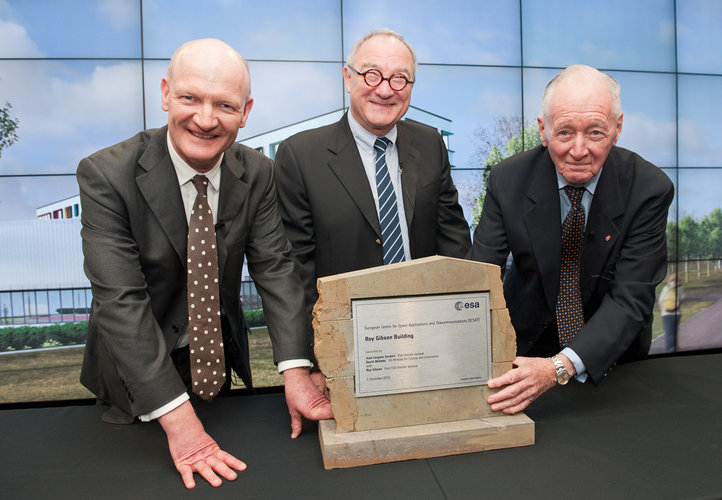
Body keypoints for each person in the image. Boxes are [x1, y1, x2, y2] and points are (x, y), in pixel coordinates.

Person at [77, 38, 331, 490]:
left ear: (246, 111)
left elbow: (275, 269)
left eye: (225, 105)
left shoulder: (258, 173)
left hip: (214, 368)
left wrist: (296, 372)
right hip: (132, 377)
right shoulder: (105, 175)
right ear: (164, 94)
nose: (206, 119)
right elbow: (121, 302)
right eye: (190, 97)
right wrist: (183, 430)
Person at [469, 64, 674, 414]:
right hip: (524, 354)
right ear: (543, 129)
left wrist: (558, 367)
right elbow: (479, 275)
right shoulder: (508, 181)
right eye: (564, 133)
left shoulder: (649, 189)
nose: (579, 150)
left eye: (595, 132)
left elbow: (631, 299)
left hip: (611, 363)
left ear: (617, 129)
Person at [274, 29, 470, 344]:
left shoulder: (431, 144)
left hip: (429, 336)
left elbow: (455, 244)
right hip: (343, 342)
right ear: (348, 77)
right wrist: (313, 357)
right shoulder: (300, 156)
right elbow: (296, 271)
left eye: (399, 79)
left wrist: (464, 325)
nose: (385, 90)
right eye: (372, 74)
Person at [658, 272, 683, 352]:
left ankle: (669, 349)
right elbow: (682, 299)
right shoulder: (680, 288)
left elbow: (661, 300)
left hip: (666, 314)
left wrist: (662, 310)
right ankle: (675, 347)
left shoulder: (666, 287)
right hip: (677, 313)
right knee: (675, 331)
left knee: (669, 332)